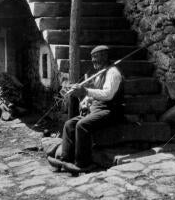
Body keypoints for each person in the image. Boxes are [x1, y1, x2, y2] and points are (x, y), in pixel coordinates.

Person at [48, 45, 124, 174]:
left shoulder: (113, 73)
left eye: (96, 57)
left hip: (110, 111)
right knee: (69, 124)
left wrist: (86, 90)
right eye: (92, 57)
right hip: (97, 110)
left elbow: (108, 94)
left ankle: (83, 163)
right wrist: (84, 100)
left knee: (82, 125)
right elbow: (94, 96)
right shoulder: (100, 74)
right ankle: (65, 158)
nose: (93, 60)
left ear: (105, 56)